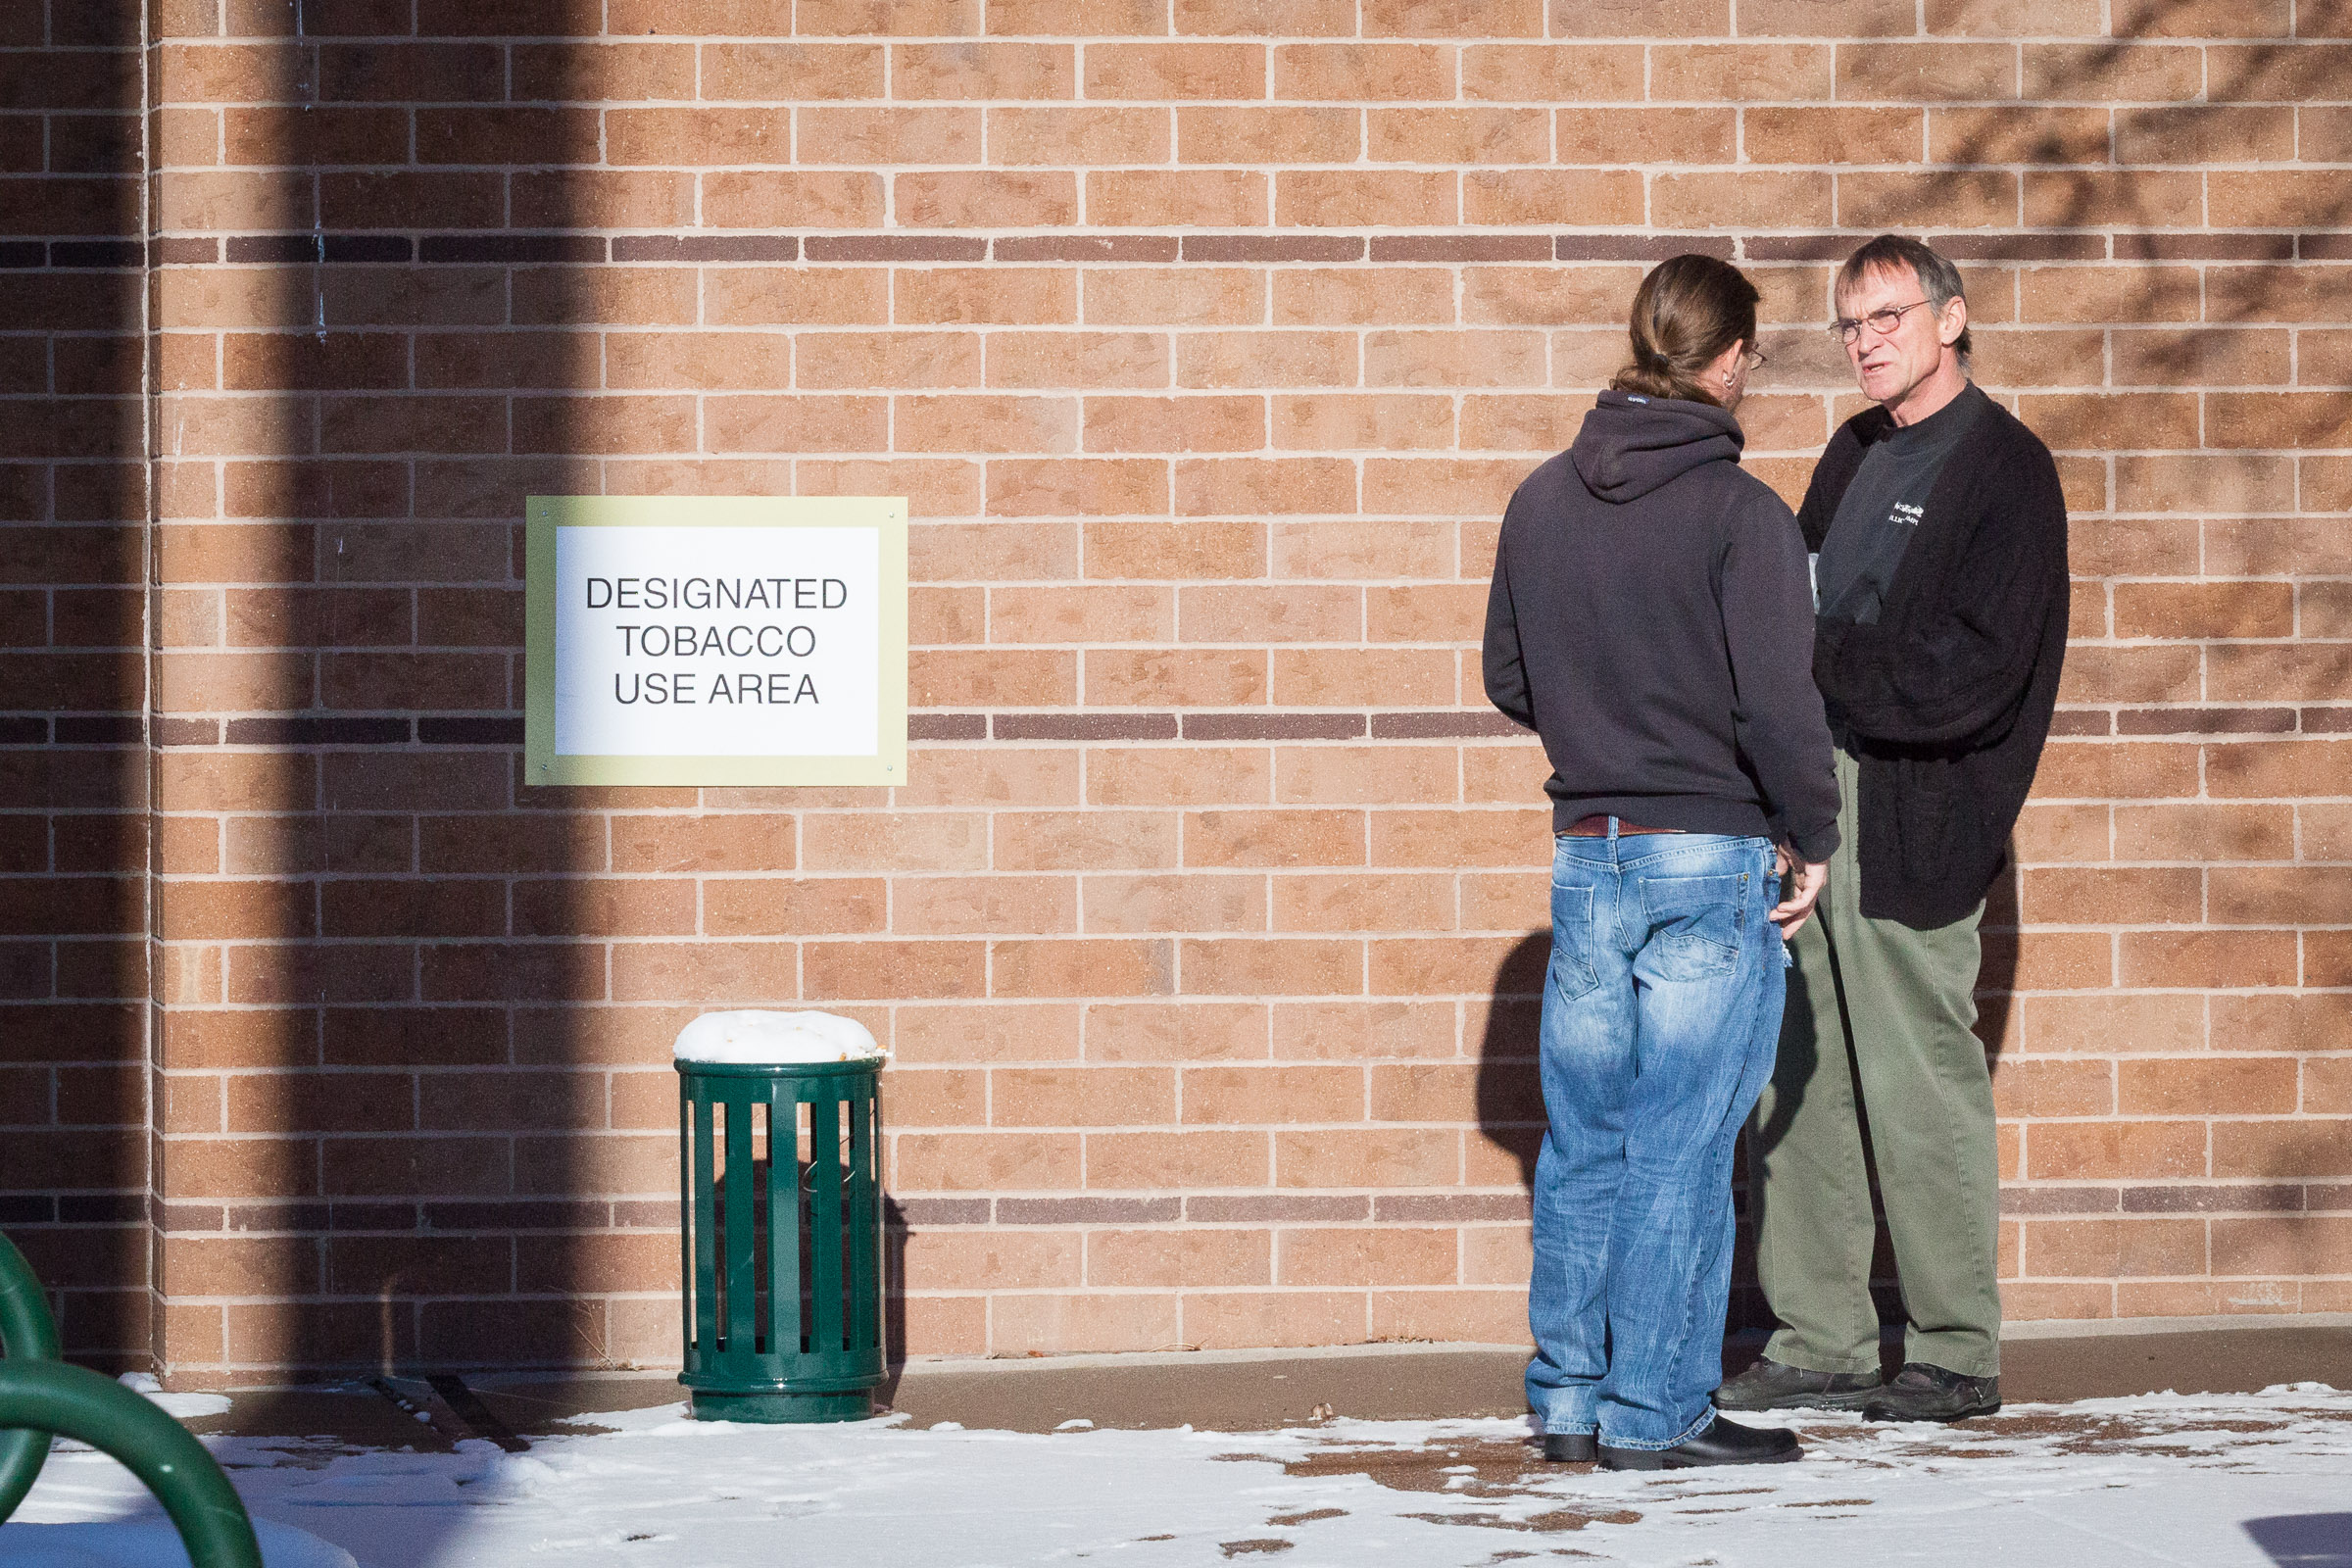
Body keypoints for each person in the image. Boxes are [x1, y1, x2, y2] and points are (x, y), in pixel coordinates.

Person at [1484, 255, 1840, 1471]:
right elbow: (1778, 709)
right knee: (1682, 1145)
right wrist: (1814, 834)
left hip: (1589, 857)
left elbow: (1509, 677)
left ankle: (1570, 1402)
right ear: (1729, 359)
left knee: (1585, 1141)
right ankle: (1655, 1411)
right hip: (1707, 856)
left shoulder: (1538, 500)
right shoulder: (1743, 515)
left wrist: (1605, 735)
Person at [1718, 235, 2069, 1425]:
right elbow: (1795, 607)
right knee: (1798, 1062)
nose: (1866, 340)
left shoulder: (2006, 470)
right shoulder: (1853, 451)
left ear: (1952, 318)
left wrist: (1823, 664)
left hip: (1919, 811)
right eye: (1849, 323)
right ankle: (1820, 1334)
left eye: (1888, 316)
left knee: (1918, 1072)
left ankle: (1957, 1345)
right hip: (1815, 794)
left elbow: (1972, 674)